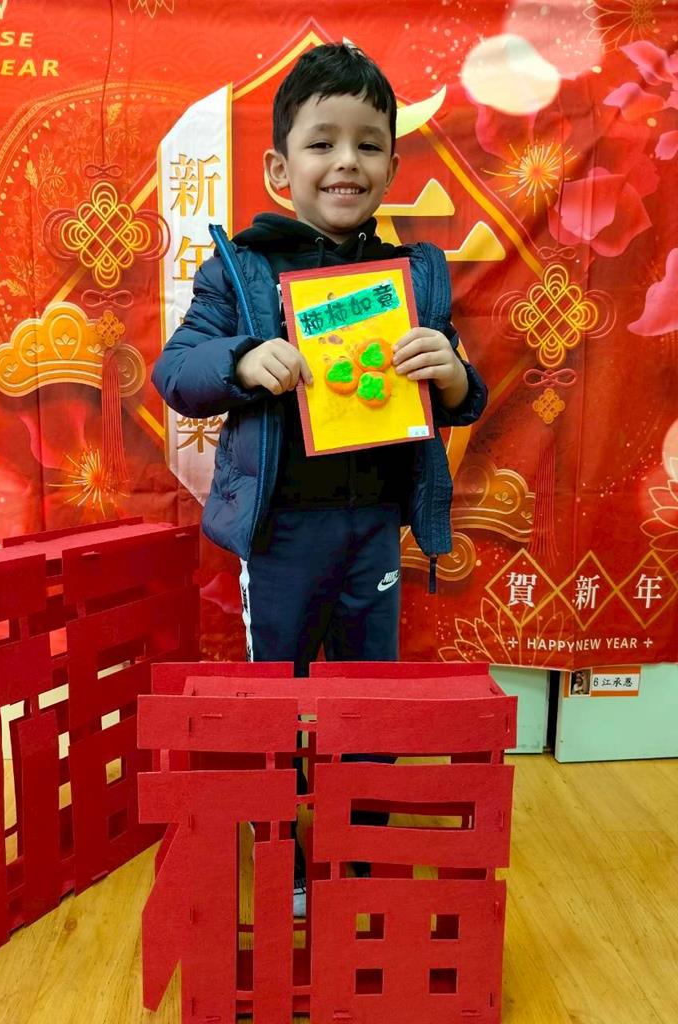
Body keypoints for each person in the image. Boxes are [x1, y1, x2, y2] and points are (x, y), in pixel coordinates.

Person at [152, 43, 488, 912]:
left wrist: (452, 376)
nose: (346, 161)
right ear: (279, 169)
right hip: (282, 535)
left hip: (372, 527)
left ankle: (354, 845)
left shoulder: (413, 278)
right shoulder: (242, 270)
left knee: (369, 701)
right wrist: (241, 357)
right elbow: (176, 370)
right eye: (322, 143)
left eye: (369, 144)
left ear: (392, 168)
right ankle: (286, 852)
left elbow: (462, 395)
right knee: (279, 703)